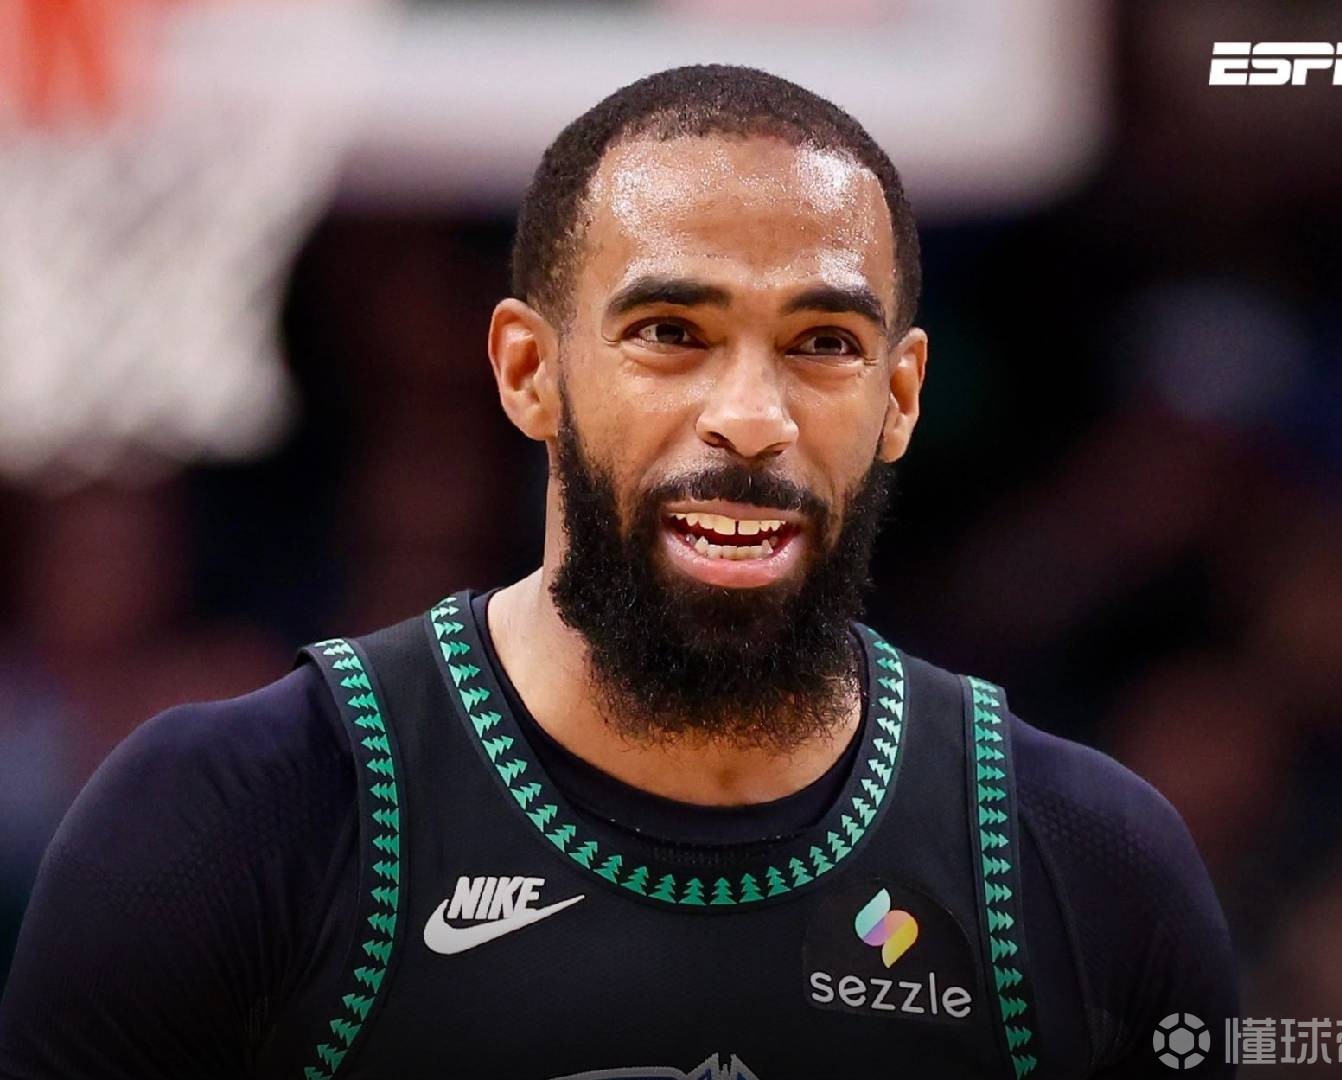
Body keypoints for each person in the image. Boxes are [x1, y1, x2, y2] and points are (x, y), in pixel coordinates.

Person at [0, 65, 1237, 1079]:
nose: (749, 417)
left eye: (822, 342)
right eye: (670, 334)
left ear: (900, 396)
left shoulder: (1090, 865)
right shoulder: (230, 822)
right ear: (528, 371)